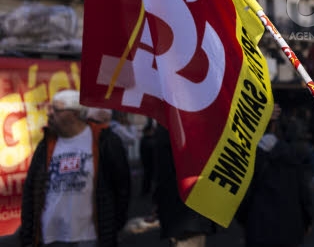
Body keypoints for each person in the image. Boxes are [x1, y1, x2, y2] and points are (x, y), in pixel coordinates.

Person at [20, 90, 131, 247]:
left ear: (76, 114)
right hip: (50, 237)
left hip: (90, 238)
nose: (49, 113)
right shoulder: (46, 145)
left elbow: (122, 187)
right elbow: (31, 192)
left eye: (56, 109)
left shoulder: (105, 141)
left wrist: (113, 225)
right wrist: (28, 233)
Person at [236, 103, 313, 247]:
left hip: (258, 227)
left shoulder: (248, 158)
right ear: (274, 126)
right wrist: (308, 220)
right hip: (290, 228)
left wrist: (244, 220)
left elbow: (243, 197)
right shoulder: (292, 154)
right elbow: (303, 193)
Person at [153, 122, 216, 247]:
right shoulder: (201, 127)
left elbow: (162, 174)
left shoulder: (167, 130)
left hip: (179, 213)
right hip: (194, 211)